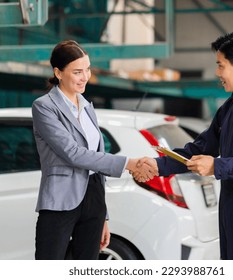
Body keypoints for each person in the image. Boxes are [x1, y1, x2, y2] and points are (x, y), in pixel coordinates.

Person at [137, 32, 233, 260]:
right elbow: (200, 148)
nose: (217, 73)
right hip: (230, 199)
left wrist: (217, 166)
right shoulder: (230, 107)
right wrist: (158, 165)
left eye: (220, 66)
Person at [32, 40, 155, 260]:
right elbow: (73, 153)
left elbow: (95, 160)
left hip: (93, 197)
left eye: (87, 69)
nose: (85, 77)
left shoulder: (88, 106)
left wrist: (103, 215)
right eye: (77, 72)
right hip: (61, 199)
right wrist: (129, 163)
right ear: (58, 73)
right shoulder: (44, 107)